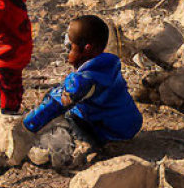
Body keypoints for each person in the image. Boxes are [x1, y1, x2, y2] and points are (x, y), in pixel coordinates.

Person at [23, 15, 142, 146]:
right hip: (131, 124)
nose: (66, 52)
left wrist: (27, 126)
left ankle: (88, 148)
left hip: (111, 131)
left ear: (87, 48)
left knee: (64, 118)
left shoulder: (83, 81)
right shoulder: (109, 64)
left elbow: (55, 104)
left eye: (70, 47)